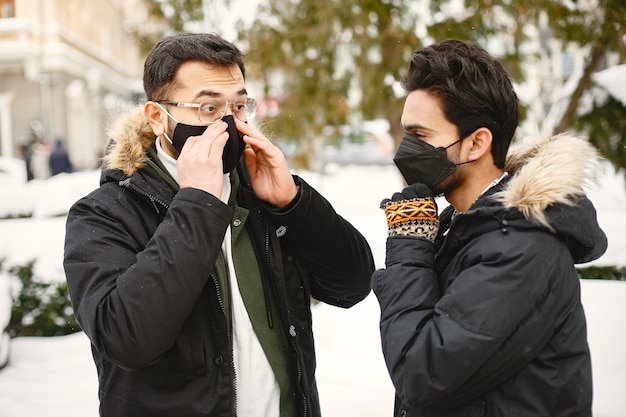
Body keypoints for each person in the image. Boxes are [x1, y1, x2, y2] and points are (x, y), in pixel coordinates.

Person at [63, 32, 374, 417]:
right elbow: (128, 340)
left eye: (239, 106)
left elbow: (353, 285)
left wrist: (294, 202)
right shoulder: (104, 213)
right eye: (209, 108)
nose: (228, 122)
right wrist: (197, 205)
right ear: (158, 118)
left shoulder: (262, 192)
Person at [371, 39, 607, 417]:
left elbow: (422, 373)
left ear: (477, 143)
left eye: (420, 136)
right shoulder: (467, 229)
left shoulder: (521, 248)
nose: (405, 150)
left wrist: (409, 248)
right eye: (405, 134)